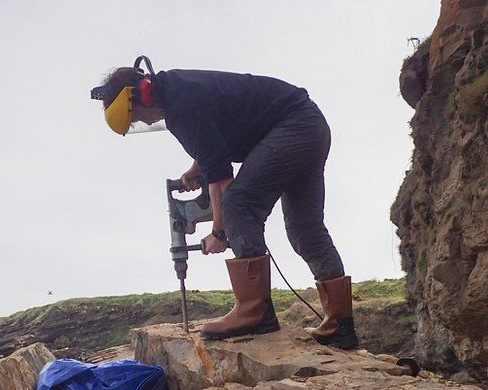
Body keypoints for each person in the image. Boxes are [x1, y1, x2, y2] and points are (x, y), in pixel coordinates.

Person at [91, 56, 357, 349]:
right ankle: (340, 327)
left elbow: (221, 181)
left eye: (137, 116)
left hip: (293, 126)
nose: (144, 120)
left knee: (238, 203)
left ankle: (255, 312)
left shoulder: (180, 107)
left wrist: (220, 232)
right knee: (305, 228)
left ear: (142, 95)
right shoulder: (177, 90)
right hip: (310, 125)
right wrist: (197, 167)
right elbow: (211, 140)